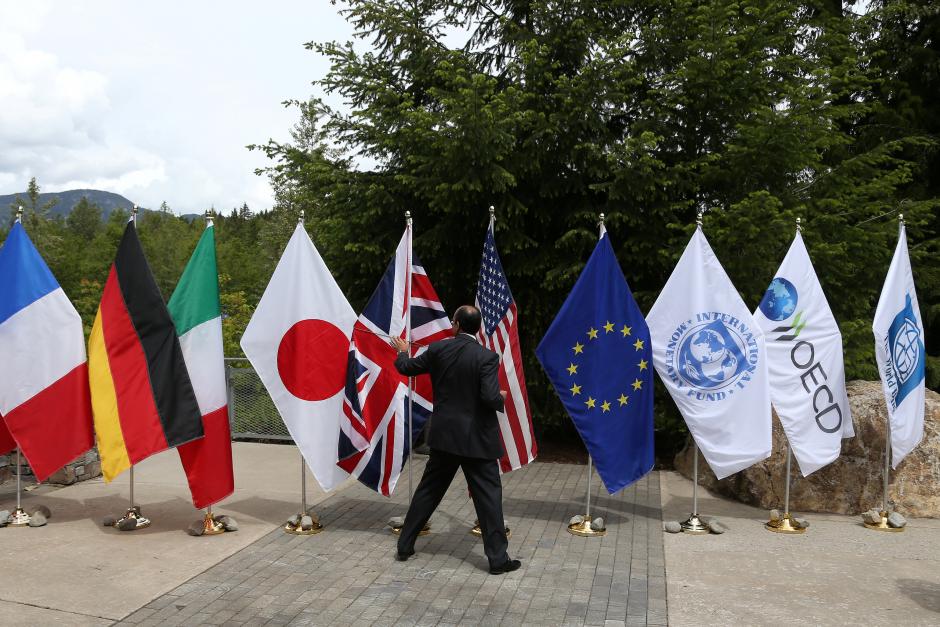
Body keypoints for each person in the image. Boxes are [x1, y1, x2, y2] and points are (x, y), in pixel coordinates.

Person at [390, 305, 521, 575]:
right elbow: (488, 396)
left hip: (444, 438)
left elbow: (407, 368)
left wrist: (402, 351)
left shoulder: (438, 350)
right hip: (477, 442)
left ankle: (405, 546)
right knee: (489, 500)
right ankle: (498, 560)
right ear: (477, 328)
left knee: (428, 492)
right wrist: (502, 398)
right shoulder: (487, 357)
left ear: (457, 325)